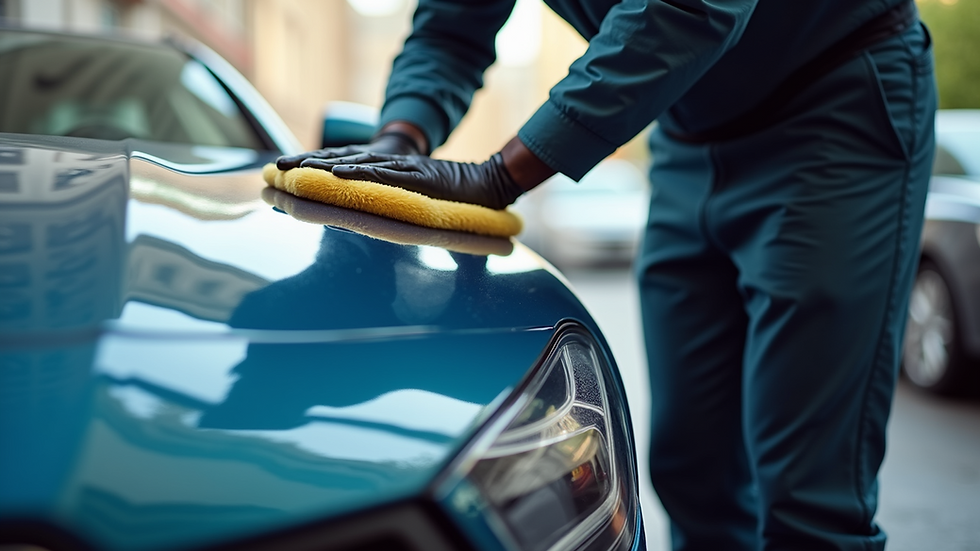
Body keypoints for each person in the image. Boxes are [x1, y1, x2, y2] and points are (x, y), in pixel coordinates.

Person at [277, 0, 937, 548]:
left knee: (807, 498)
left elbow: (688, 6)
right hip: (686, 129)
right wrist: (401, 137)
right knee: (692, 471)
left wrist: (500, 175)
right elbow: (454, 23)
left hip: (833, 101)